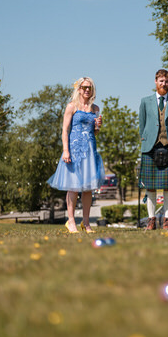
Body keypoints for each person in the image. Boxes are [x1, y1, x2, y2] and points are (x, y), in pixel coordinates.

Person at [47, 77, 105, 234]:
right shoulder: (71, 107)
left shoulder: (96, 108)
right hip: (74, 151)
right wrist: (66, 150)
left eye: (90, 87)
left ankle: (86, 223)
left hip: (90, 151)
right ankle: (71, 221)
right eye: (85, 87)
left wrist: (98, 126)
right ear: (79, 89)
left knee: (88, 189)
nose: (87, 90)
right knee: (73, 188)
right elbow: (65, 130)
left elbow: (95, 132)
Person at [139, 69, 168, 230]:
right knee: (150, 187)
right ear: (155, 82)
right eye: (161, 81)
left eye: (167, 81)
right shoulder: (145, 101)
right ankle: (151, 221)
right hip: (149, 148)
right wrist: (145, 141)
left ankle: (167, 221)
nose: (164, 84)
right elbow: (142, 125)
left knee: (167, 187)